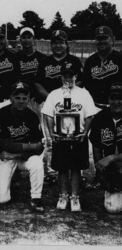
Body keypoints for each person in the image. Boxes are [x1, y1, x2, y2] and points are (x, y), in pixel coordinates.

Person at [42, 62, 96, 212]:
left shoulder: (83, 93)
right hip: (61, 136)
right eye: (65, 75)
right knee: (62, 168)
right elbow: (48, 114)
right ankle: (63, 195)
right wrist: (52, 132)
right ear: (60, 77)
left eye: (70, 75)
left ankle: (75, 196)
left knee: (76, 168)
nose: (67, 78)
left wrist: (85, 133)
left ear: (75, 76)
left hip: (77, 136)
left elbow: (90, 115)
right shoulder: (54, 94)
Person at [34, 30, 84, 183]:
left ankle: (77, 172)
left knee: (74, 138)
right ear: (51, 44)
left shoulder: (74, 61)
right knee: (50, 140)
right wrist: (52, 98)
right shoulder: (44, 62)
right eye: (55, 42)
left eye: (61, 42)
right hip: (49, 105)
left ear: (66, 44)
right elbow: (37, 83)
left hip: (71, 106)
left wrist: (66, 95)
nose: (58, 45)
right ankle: (52, 173)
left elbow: (81, 81)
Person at [0, 82, 44, 213]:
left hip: (18, 156)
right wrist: (29, 146)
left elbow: (39, 148)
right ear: (10, 98)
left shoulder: (32, 117)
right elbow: (5, 145)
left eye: (24, 98)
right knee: (1, 199)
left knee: (37, 162)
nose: (21, 101)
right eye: (17, 98)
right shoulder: (0, 115)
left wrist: (17, 155)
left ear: (28, 99)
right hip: (2, 156)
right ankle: (6, 178)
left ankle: (36, 198)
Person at [83, 26, 122, 189]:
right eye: (99, 39)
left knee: (118, 140)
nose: (101, 41)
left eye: (105, 38)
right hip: (97, 107)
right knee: (98, 143)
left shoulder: (119, 58)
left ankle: (116, 173)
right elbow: (85, 84)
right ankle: (99, 177)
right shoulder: (91, 61)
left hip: (118, 105)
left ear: (112, 39)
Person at [89, 82, 122, 214]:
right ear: (108, 99)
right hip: (112, 170)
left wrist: (112, 158)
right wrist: (100, 174)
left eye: (120, 98)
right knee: (113, 209)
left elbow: (109, 159)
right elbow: (96, 146)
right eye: (113, 98)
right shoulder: (100, 117)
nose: (116, 102)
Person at [16, 27, 47, 117]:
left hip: (39, 99)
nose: (27, 40)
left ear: (33, 39)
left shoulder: (42, 58)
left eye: (29, 37)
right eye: (24, 37)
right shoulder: (15, 57)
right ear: (20, 40)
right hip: (22, 98)